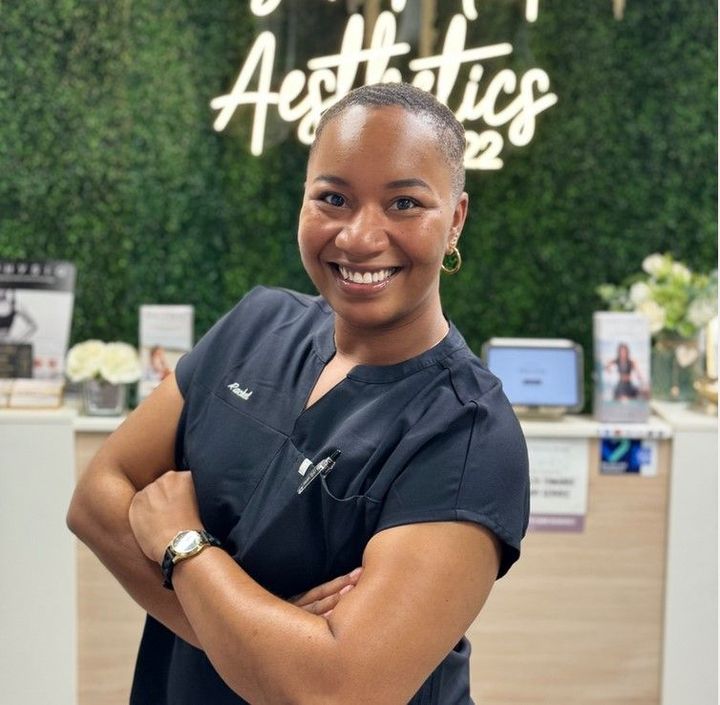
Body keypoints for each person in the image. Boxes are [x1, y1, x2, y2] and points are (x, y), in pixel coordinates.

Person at [67, 83, 529, 705]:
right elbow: (97, 500)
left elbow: (338, 692)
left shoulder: (468, 433)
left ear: (456, 219)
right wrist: (255, 647)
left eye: (404, 204)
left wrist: (186, 546)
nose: (361, 237)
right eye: (333, 198)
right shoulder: (255, 326)